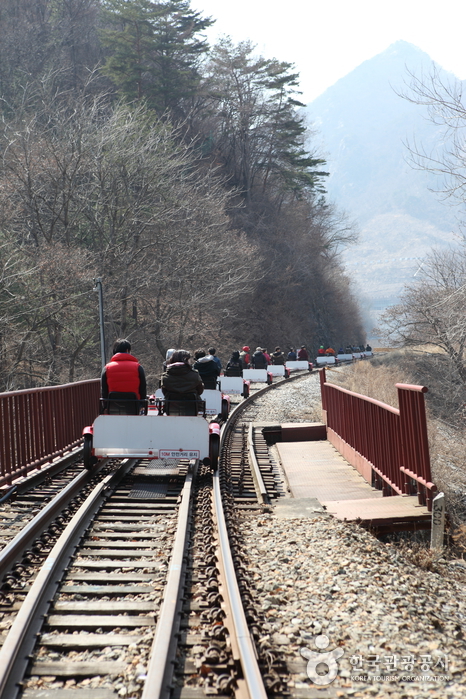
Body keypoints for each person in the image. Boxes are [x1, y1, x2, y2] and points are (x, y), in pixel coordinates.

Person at [101, 338, 147, 414]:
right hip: (134, 408)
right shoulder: (138, 367)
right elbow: (142, 388)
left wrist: (105, 406)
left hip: (113, 408)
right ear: (127, 350)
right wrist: (142, 405)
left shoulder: (107, 368)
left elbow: (104, 391)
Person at [160, 350, 204, 415]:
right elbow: (200, 391)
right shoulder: (195, 375)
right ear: (186, 360)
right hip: (194, 408)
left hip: (171, 408)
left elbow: (165, 392)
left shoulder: (165, 377)